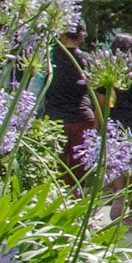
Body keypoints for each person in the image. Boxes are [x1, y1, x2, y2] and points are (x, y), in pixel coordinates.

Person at [42, 14, 94, 168]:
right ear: (81, 36)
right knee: (80, 167)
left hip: (54, 118)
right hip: (83, 116)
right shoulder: (88, 60)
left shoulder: (48, 57)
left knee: (54, 167)